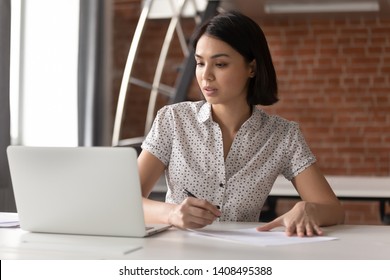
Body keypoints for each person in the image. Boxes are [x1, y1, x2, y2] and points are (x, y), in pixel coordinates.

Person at [137, 11, 344, 237]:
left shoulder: (283, 135)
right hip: (177, 258)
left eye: (220, 64)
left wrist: (307, 208)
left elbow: (333, 210)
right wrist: (172, 214)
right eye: (199, 63)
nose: (206, 75)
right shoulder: (173, 120)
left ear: (251, 68)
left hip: (244, 259)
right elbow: (123, 201)